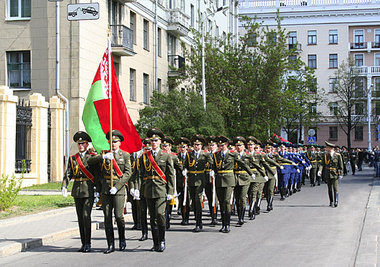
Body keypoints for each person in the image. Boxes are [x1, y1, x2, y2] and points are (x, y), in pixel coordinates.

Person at [88, 130, 131, 254]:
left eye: (116, 141)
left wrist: (117, 186)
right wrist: (103, 157)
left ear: (120, 143)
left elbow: (128, 173)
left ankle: (122, 240)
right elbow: (90, 162)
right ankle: (110, 244)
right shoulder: (104, 154)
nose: (113, 144)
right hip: (106, 189)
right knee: (107, 217)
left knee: (118, 216)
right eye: (111, 142)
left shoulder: (125, 155)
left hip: (118, 189)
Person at [61, 131, 97, 253]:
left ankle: (88, 243)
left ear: (87, 145)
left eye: (83, 143)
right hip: (77, 190)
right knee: (80, 218)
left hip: (88, 190)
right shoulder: (73, 158)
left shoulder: (92, 157)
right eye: (79, 143)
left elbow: (97, 174)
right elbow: (68, 173)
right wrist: (64, 186)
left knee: (86, 216)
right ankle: (83, 243)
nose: (81, 145)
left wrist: (98, 188)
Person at [140, 128, 174, 252]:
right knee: (152, 217)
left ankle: (162, 240)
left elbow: (170, 175)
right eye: (152, 140)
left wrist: (170, 192)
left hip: (161, 189)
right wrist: (139, 189)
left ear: (160, 141)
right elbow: (141, 174)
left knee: (160, 214)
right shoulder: (144, 156)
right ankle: (155, 243)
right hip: (149, 189)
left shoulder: (165, 156)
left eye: (156, 140)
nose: (153, 142)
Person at [212, 136, 254, 233]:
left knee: (227, 201)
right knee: (222, 202)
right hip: (219, 180)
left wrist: (250, 173)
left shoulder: (233, 154)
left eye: (222, 145)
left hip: (229, 180)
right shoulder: (215, 155)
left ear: (226, 145)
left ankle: (227, 225)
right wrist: (212, 171)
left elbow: (242, 163)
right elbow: (214, 166)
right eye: (219, 145)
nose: (221, 147)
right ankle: (223, 224)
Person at [182, 134, 213, 232]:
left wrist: (212, 171)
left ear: (201, 145)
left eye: (198, 144)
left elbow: (212, 163)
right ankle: (197, 219)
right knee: (194, 201)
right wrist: (184, 170)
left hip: (200, 179)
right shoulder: (189, 154)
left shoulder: (205, 154)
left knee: (198, 200)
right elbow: (185, 165)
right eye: (195, 144)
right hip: (191, 180)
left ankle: (199, 223)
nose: (196, 146)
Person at [318, 141, 344, 207]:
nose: (326, 149)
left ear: (331, 148)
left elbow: (341, 166)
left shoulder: (338, 155)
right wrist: (320, 170)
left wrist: (341, 174)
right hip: (327, 173)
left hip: (334, 173)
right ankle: (331, 201)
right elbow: (322, 164)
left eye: (327, 147)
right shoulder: (325, 155)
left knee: (335, 188)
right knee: (329, 188)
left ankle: (336, 201)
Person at [175, 137, 190, 225]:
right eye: (181, 147)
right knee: (181, 199)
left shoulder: (190, 156)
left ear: (187, 147)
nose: (182, 149)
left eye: (184, 147)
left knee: (187, 199)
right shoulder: (176, 156)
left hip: (187, 181)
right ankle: (183, 217)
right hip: (179, 180)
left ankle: (186, 217)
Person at [204, 136, 219, 225]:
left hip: (215, 178)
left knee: (215, 198)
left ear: (216, 146)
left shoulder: (217, 154)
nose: (211, 147)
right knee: (209, 198)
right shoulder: (206, 154)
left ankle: (215, 216)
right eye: (209, 145)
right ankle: (212, 214)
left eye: (213, 145)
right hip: (206, 178)